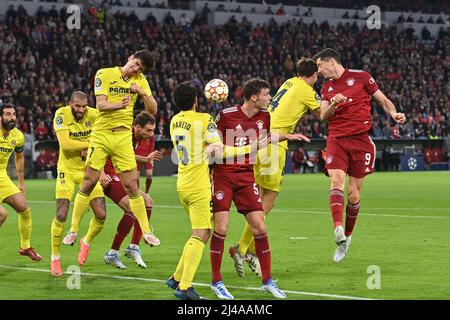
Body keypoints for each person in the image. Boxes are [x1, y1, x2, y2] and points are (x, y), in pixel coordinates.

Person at [165, 81, 264, 300]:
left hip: (182, 182)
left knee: (199, 232)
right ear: (195, 100)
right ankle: (184, 287)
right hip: (198, 185)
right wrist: (250, 147)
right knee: (201, 234)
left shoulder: (174, 121)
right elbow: (219, 151)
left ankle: (175, 277)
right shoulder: (204, 120)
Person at [64, 50, 158, 263]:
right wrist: (122, 104)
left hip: (122, 136)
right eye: (136, 65)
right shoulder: (104, 74)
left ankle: (146, 232)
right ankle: (73, 229)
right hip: (101, 135)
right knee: (88, 182)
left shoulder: (140, 80)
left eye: (140, 69)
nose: (136, 70)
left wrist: (142, 93)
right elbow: (101, 105)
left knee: (133, 186)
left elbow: (152, 110)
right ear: (130, 58)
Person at [313, 48, 406, 262]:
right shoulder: (327, 87)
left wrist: (394, 113)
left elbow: (383, 100)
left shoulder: (362, 77)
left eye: (319, 65)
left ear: (332, 62)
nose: (318, 71)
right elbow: (323, 117)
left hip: (361, 141)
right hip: (336, 140)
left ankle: (347, 237)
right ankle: (337, 227)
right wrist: (334, 104)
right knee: (336, 181)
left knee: (354, 194)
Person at [231, 58, 317, 276]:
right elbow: (324, 113)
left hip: (263, 136)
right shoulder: (305, 88)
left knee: (262, 197)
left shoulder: (289, 82)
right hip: (274, 142)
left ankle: (249, 249)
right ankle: (241, 248)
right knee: (267, 199)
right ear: (314, 75)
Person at [209, 78, 286, 299]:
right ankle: (216, 282)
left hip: (246, 176)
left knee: (260, 228)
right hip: (223, 176)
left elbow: (267, 138)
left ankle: (268, 281)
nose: (270, 97)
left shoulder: (265, 117)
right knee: (221, 228)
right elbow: (213, 144)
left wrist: (287, 136)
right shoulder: (225, 115)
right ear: (254, 97)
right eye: (267, 93)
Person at [50, 91, 106, 275]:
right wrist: (89, 143)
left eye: (83, 106)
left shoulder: (94, 114)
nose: (81, 110)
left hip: (89, 170)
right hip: (66, 170)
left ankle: (86, 241)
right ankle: (55, 257)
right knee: (61, 214)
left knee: (101, 214)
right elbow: (65, 145)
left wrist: (102, 169)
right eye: (77, 106)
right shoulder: (61, 114)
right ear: (69, 104)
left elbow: (103, 144)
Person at [102, 111, 162, 269]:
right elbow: (104, 149)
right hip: (108, 174)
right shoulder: (125, 133)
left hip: (119, 174)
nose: (151, 133)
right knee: (131, 207)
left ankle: (133, 247)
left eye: (152, 130)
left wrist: (145, 159)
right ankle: (112, 253)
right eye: (148, 130)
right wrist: (100, 173)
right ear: (137, 127)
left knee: (148, 201)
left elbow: (127, 155)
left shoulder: (137, 138)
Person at [0, 104, 41, 261]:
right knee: (2, 214)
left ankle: (25, 247)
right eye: (8, 114)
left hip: (2, 176)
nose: (12, 117)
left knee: (24, 209)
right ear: (1, 117)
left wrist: (21, 182)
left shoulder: (17, 136)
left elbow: (19, 156)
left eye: (14, 114)